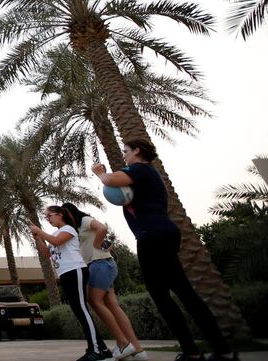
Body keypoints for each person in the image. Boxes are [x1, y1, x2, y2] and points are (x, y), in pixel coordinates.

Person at [92, 138, 238, 361]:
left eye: (127, 151)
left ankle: (207, 352)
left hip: (153, 236)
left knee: (165, 297)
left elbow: (112, 180)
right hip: (161, 233)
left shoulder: (141, 169)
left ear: (137, 151)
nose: (125, 155)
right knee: (181, 293)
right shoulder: (146, 175)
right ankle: (212, 350)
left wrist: (101, 173)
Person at [62, 202, 147, 361]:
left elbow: (103, 228)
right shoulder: (75, 230)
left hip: (99, 265)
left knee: (95, 301)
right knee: (112, 305)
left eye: (65, 214)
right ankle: (137, 349)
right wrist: (102, 246)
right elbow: (107, 243)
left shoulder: (85, 221)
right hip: (103, 264)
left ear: (70, 212)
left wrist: (96, 245)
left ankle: (123, 344)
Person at [30, 207, 110, 361]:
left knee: (81, 309)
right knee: (79, 310)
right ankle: (102, 347)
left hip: (76, 270)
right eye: (46, 216)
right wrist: (37, 238)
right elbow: (47, 254)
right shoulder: (54, 233)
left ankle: (95, 349)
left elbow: (56, 241)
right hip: (65, 273)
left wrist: (39, 231)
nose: (48, 218)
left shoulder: (69, 229)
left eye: (50, 215)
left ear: (60, 215)